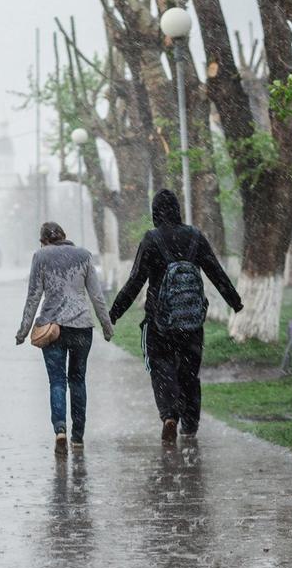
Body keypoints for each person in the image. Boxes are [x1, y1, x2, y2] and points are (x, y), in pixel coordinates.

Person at [109, 190, 242, 444]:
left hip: (159, 322)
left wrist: (115, 311)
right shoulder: (195, 236)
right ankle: (190, 426)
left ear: (155, 212)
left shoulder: (151, 239)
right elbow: (216, 271)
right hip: (191, 320)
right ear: (178, 210)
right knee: (190, 373)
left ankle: (169, 415)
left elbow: (135, 280)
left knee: (161, 367)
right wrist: (234, 302)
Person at [16, 222, 114, 455]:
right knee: (78, 380)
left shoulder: (41, 256)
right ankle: (77, 436)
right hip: (81, 327)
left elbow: (33, 297)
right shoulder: (84, 255)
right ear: (64, 236)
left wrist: (23, 331)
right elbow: (97, 297)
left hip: (53, 328)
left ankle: (60, 429)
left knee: (57, 381)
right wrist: (107, 326)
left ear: (43, 241)